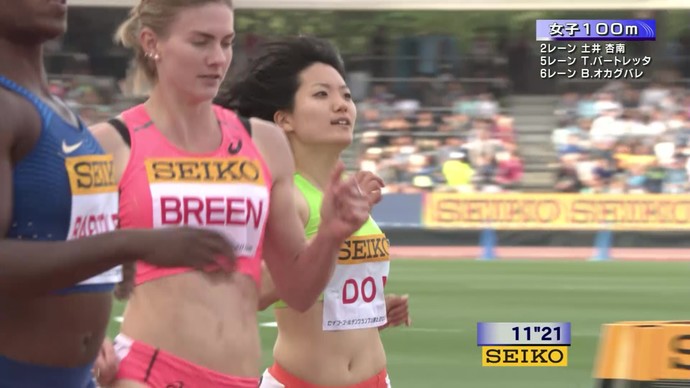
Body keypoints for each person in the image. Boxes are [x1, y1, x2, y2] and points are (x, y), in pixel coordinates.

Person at [89, 1, 371, 387]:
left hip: (238, 379)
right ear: (152, 42)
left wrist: (330, 236)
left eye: (227, 42)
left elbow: (299, 292)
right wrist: (90, 340)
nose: (217, 58)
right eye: (201, 42)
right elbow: (60, 259)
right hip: (147, 372)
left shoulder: (265, 143)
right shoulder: (111, 144)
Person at [0, 1, 238, 387]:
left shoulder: (59, 111)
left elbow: (51, 231)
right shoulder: (7, 108)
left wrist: (111, 262)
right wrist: (129, 245)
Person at [215, 36, 410, 388]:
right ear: (284, 119)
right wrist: (331, 235)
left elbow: (330, 301)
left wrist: (375, 311)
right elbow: (246, 294)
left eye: (347, 95)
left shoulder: (349, 191)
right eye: (322, 95)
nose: (342, 105)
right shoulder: (286, 196)